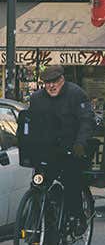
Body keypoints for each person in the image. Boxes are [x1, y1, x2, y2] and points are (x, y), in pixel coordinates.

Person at [28, 65, 94, 230]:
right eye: (47, 82)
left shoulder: (76, 94)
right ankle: (41, 226)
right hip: (47, 150)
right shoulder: (37, 98)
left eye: (55, 81)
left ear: (62, 79)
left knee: (72, 181)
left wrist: (80, 143)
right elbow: (30, 124)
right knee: (38, 184)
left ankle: (77, 218)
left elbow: (86, 121)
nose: (51, 86)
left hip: (70, 149)